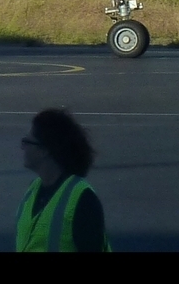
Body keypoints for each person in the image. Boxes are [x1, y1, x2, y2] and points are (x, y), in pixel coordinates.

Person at [17, 108, 111, 251]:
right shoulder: (33, 190)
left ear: (44, 150)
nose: (22, 148)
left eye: (27, 142)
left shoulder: (82, 199)